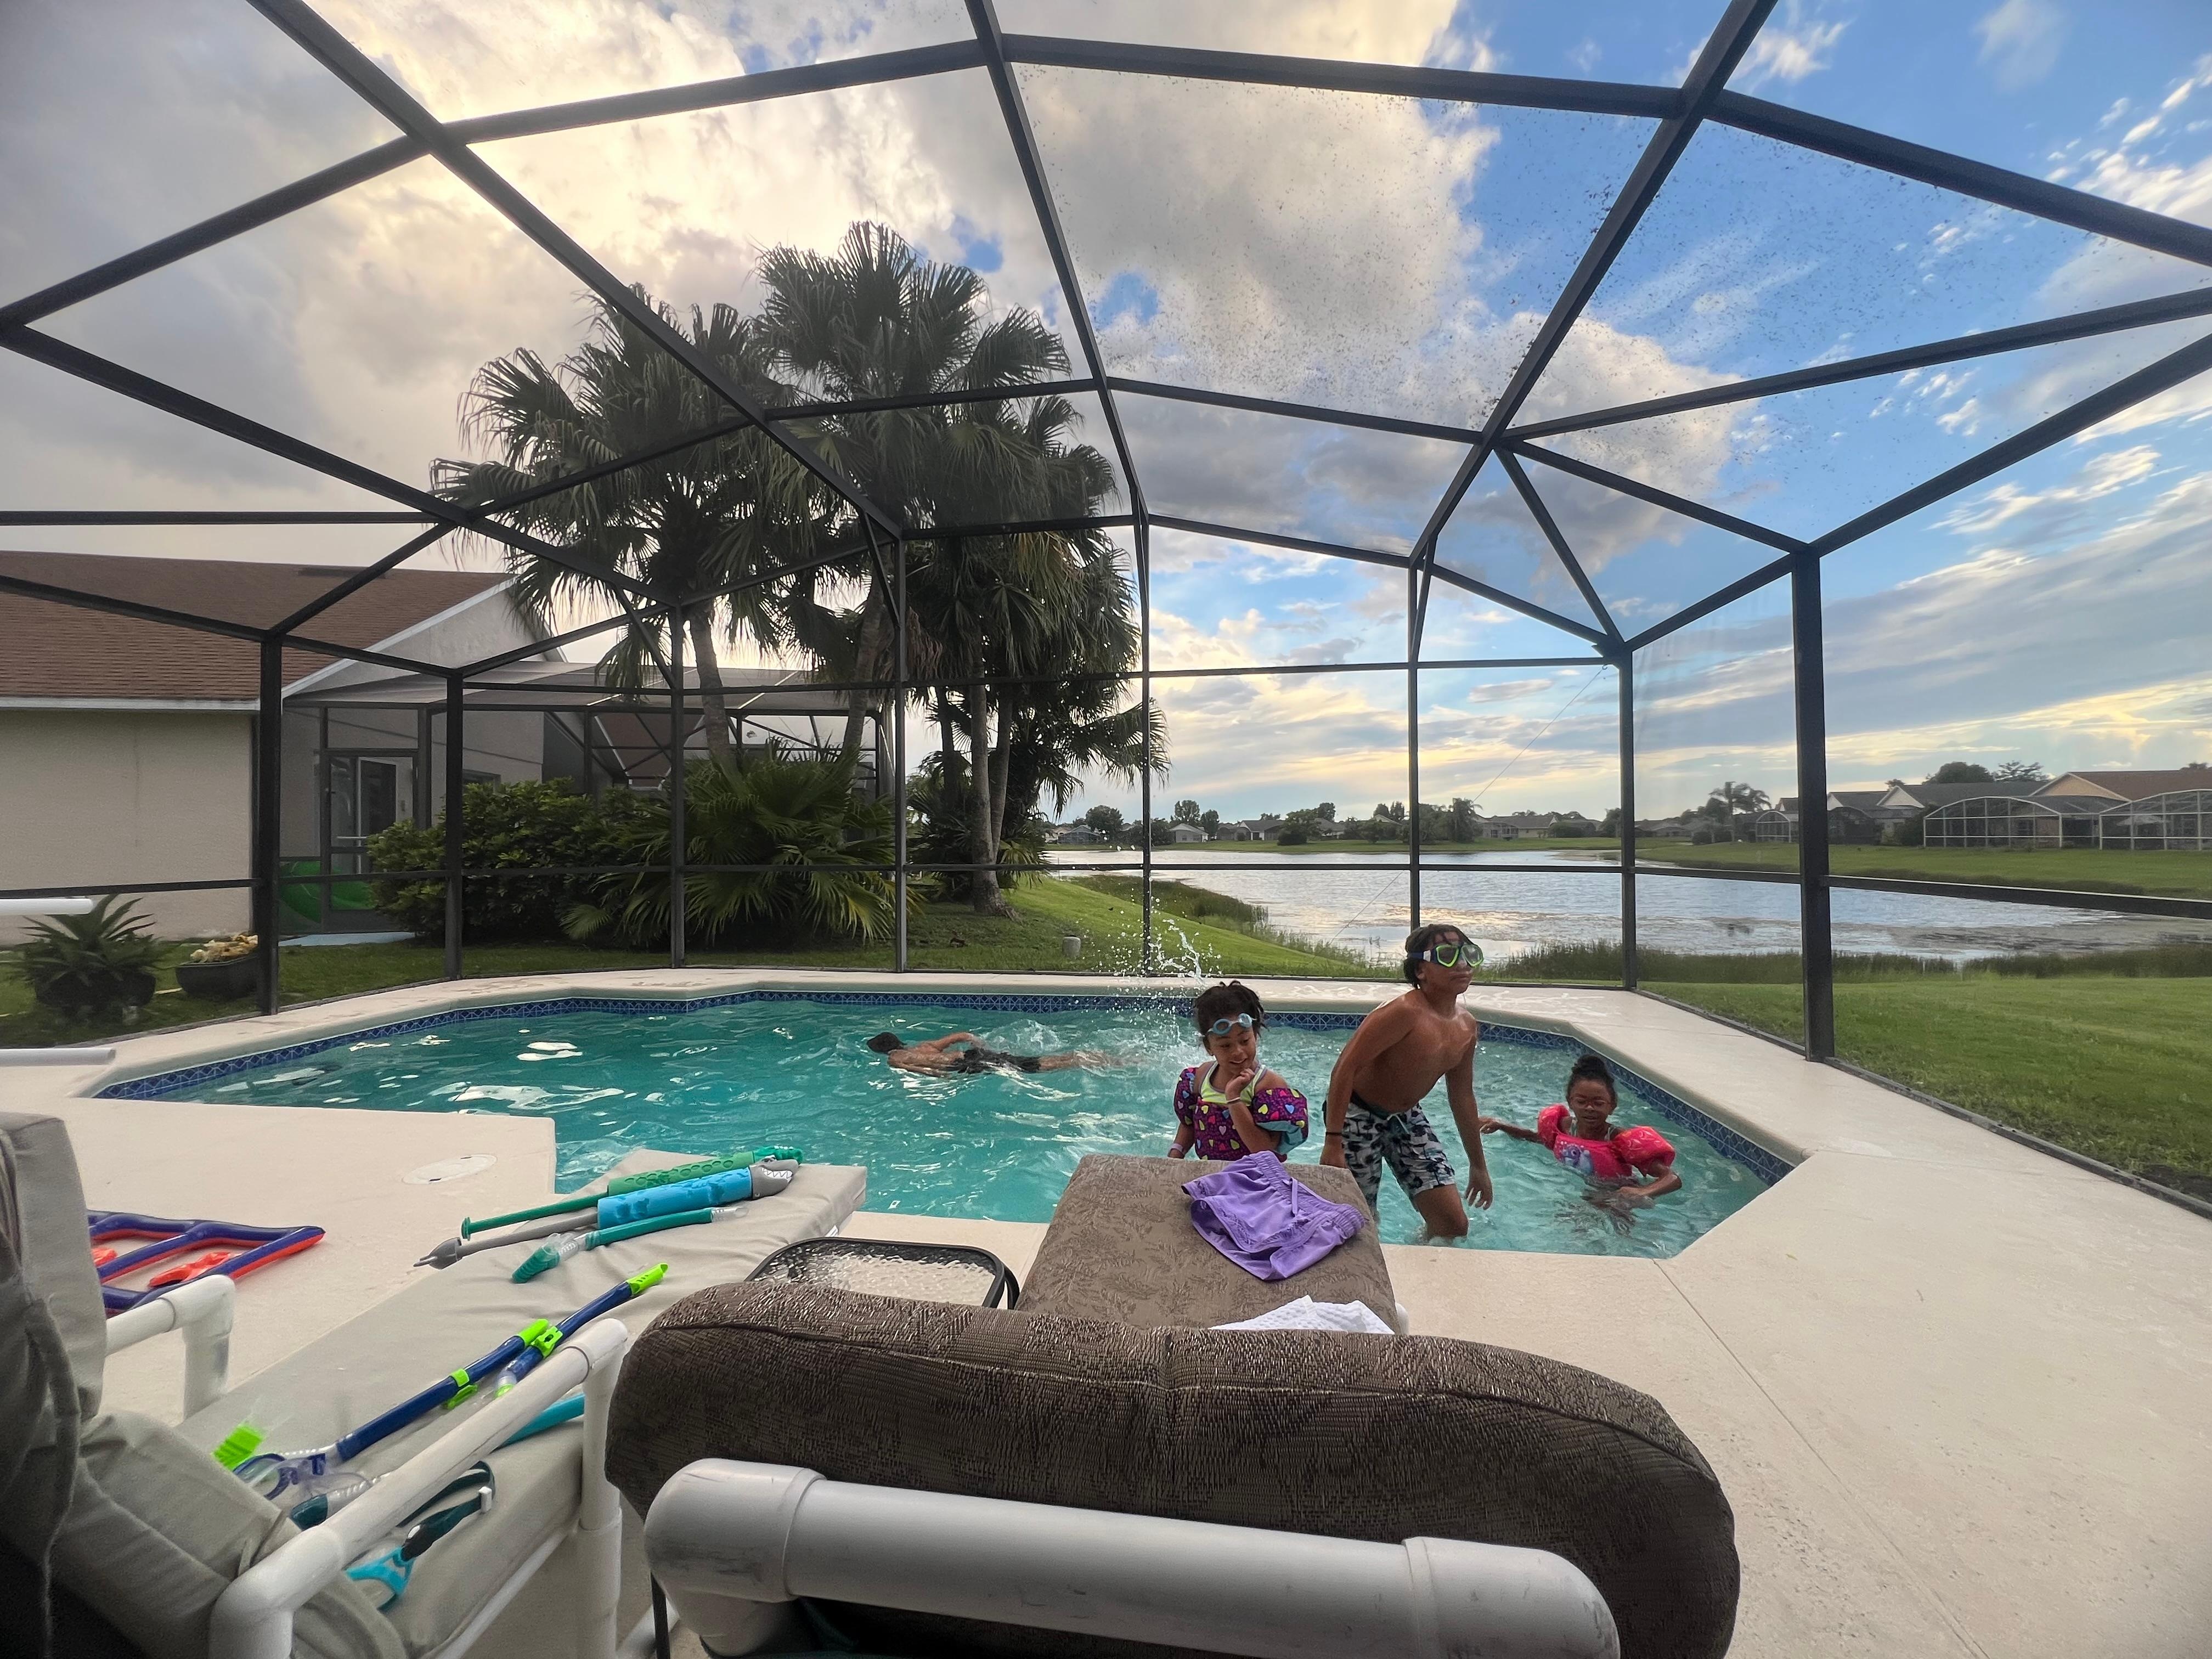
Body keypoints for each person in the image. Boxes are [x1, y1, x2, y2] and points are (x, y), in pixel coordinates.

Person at [1318, 922, 1493, 1238]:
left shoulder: (1467, 1026)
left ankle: (1417, 1255)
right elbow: (1345, 1068)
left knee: (1452, 1225)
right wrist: (1333, 1141)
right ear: (1421, 970)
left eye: (1469, 954)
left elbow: (1462, 1096)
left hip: (1406, 1117)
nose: (1463, 964)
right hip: (1356, 1116)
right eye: (1447, 956)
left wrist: (1478, 1165)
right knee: (1356, 1225)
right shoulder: (1403, 1013)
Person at [1480, 1052, 1680, 1231]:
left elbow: (1672, 1178)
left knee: (1607, 1230)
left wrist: (1643, 1192)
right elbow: (1538, 1138)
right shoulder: (1565, 1127)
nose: (1589, 1108)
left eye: (1598, 1103)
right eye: (1582, 1102)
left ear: (1612, 1106)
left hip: (1615, 1192)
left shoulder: (1619, 1139)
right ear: (1570, 1101)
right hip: (1579, 1187)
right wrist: (1502, 1126)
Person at [1168, 981, 1310, 1162]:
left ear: (1255, 1036)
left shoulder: (1268, 1085)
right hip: (1212, 1172)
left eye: (1244, 1041)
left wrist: (1234, 1098)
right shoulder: (1202, 1077)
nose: (1238, 1052)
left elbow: (1264, 1150)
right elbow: (1189, 1124)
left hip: (1255, 1176)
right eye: (1225, 1045)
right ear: (1209, 1047)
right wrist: (1177, 1153)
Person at [864, 1030, 1100, 1074]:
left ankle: (1079, 1061)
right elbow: (963, 1036)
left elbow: (915, 1068)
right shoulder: (926, 1045)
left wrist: (939, 1075)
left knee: (1038, 1067)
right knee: (1032, 1061)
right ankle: (1082, 1056)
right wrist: (980, 1045)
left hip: (966, 1066)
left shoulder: (895, 1058)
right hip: (972, 1056)